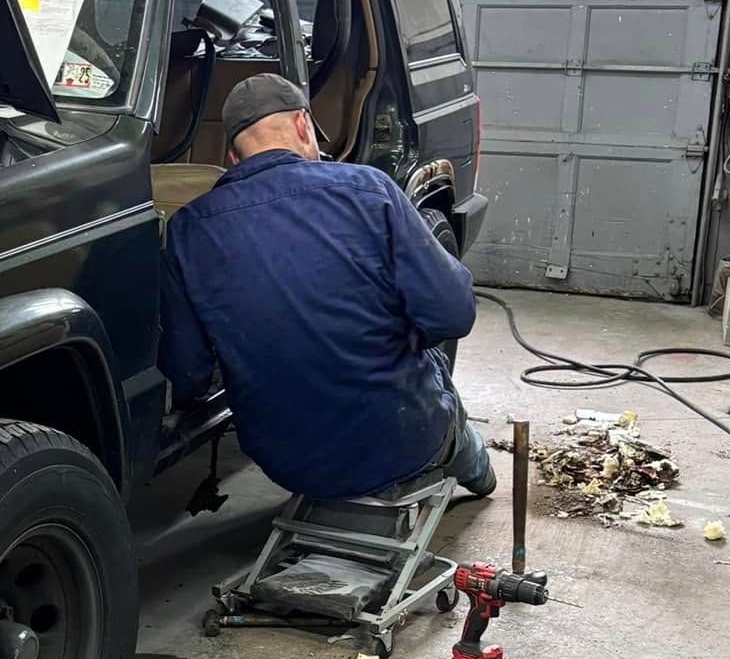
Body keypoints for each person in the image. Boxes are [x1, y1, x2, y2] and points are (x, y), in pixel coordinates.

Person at [159, 74, 493, 503]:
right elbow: (453, 313)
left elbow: (187, 374)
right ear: (303, 125)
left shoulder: (188, 230)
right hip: (403, 439)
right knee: (430, 366)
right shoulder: (369, 190)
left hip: (285, 461)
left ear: (232, 158)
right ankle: (478, 470)